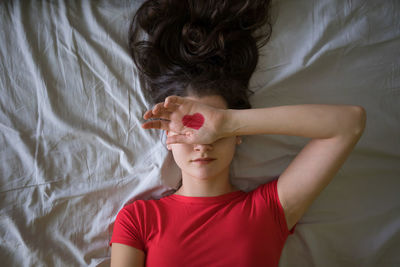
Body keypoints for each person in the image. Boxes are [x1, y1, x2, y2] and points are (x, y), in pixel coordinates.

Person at [109, 0, 366, 266]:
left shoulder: (269, 210)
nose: (202, 144)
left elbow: (350, 123)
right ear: (168, 138)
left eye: (215, 132)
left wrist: (227, 121)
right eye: (189, 130)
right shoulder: (138, 219)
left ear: (238, 132)